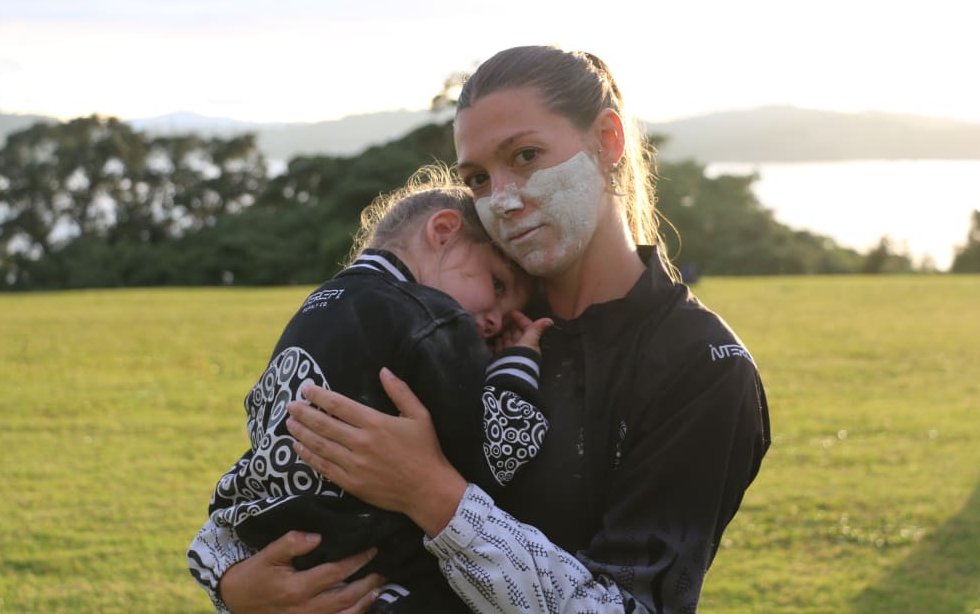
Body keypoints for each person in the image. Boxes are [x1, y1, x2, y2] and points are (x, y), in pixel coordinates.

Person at [215, 45, 771, 614]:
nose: (502, 199)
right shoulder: (453, 321)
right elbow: (279, 473)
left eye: (526, 155)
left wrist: (431, 494)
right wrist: (237, 586)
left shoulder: (704, 367)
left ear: (607, 141)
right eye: (478, 178)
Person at [188, 178, 554, 613]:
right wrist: (515, 362)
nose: (495, 321)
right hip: (373, 574)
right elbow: (499, 449)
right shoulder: (432, 318)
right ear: (443, 231)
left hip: (284, 550)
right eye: (497, 285)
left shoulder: (315, 307)